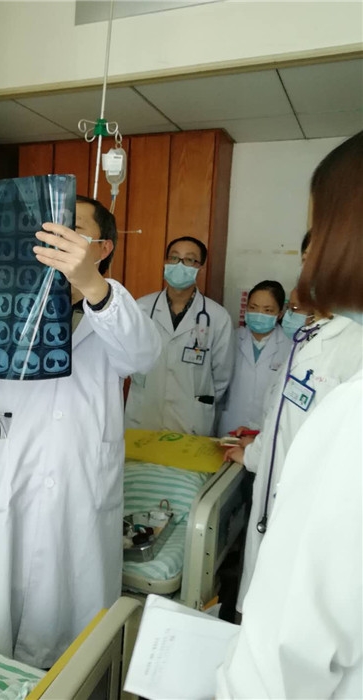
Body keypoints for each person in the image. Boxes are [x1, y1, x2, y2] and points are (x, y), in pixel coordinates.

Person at [0, 194, 162, 668]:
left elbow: (143, 355)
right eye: (51, 231)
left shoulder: (114, 308)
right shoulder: (0, 304)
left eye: (73, 232)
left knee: (70, 645)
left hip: (78, 490)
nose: (58, 241)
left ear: (103, 248)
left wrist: (92, 286)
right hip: (7, 481)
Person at [217, 130, 363, 698]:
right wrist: (253, 453)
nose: (311, 257)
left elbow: (296, 650)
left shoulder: (352, 361)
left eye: (320, 234)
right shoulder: (317, 336)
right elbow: (288, 421)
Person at [125, 236, 234, 437]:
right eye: (174, 258)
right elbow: (128, 360)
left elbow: (221, 377)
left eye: (189, 260)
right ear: (166, 262)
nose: (180, 265)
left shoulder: (217, 317)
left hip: (191, 419)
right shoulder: (142, 308)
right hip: (144, 413)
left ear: (200, 268)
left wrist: (196, 401)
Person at [218, 280, 292, 436]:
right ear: (246, 309)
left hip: (266, 429)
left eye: (268, 310)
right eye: (253, 307)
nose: (259, 314)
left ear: (280, 314)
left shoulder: (289, 346)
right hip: (230, 423)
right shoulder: (232, 338)